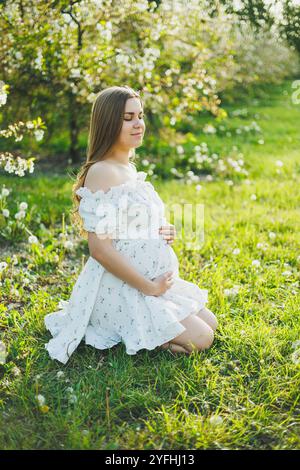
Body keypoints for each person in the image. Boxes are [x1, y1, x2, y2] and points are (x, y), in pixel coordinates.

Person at [44, 85, 218, 364]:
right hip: (125, 288)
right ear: (108, 122)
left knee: (211, 321)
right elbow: (100, 249)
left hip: (152, 282)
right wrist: (149, 288)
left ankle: (151, 322)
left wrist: (161, 230)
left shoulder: (129, 168)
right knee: (202, 339)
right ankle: (135, 333)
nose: (138, 124)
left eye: (140, 116)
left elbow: (133, 221)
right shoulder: (102, 172)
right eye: (128, 118)